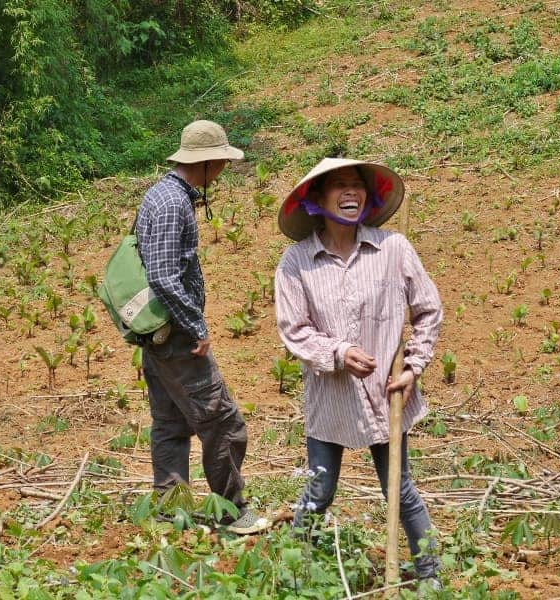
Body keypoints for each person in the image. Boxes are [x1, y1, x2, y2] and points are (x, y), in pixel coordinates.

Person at [274, 158, 442, 587]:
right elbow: (294, 331)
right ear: (316, 199)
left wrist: (415, 367)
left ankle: (430, 575)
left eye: (357, 186)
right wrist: (339, 351)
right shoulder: (297, 262)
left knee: (399, 490)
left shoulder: (394, 249)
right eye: (340, 186)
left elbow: (428, 310)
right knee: (320, 491)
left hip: (387, 396)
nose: (351, 193)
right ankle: (294, 575)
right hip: (331, 400)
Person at [135, 120, 265, 535]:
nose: (225, 169)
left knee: (171, 426)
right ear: (207, 163)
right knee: (222, 422)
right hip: (176, 338)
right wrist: (196, 326)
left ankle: (170, 515)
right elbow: (163, 276)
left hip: (160, 337)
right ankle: (233, 512)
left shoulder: (162, 195)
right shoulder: (173, 203)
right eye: (222, 162)